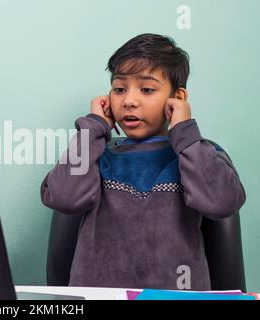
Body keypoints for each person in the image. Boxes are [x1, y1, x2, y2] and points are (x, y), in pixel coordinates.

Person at [40, 33, 246, 290]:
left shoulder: (197, 155)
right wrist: (93, 129)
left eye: (147, 89)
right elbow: (63, 198)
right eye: (119, 89)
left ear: (177, 99)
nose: (129, 101)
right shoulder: (96, 156)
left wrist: (184, 131)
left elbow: (222, 202)